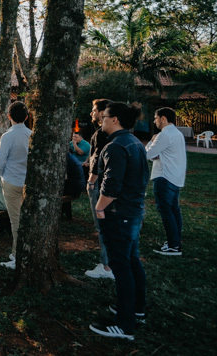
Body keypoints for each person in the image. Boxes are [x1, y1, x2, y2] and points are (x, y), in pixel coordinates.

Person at [89, 102, 149, 341]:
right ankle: (137, 308)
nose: (101, 120)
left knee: (121, 267)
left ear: (115, 120)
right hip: (134, 211)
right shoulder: (135, 143)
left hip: (118, 214)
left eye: (104, 117)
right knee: (132, 261)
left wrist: (100, 208)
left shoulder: (115, 146)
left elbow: (111, 185)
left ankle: (124, 325)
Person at [146, 107, 186, 256]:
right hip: (175, 177)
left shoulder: (164, 135)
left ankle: (173, 246)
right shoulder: (177, 133)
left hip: (164, 177)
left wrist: (150, 143)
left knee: (166, 211)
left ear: (163, 118)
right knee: (174, 210)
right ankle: (175, 241)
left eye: (156, 118)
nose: (154, 121)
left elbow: (148, 154)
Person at [0, 101, 31, 269]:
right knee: (26, 219)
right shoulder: (31, 134)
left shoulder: (8, 136)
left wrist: (0, 175)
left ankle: (18, 257)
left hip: (11, 181)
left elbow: (0, 161)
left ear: (9, 116)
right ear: (26, 117)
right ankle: (23, 252)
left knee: (16, 221)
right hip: (28, 182)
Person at [84, 98, 115, 280]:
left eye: (94, 109)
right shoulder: (110, 134)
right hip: (108, 185)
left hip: (99, 185)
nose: (92, 113)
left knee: (102, 224)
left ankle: (106, 266)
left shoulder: (101, 134)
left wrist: (90, 182)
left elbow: (98, 162)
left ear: (103, 112)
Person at [61, 153, 86, 219]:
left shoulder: (67, 159)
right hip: (79, 185)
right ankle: (68, 215)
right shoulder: (71, 157)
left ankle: (62, 213)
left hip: (75, 187)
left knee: (62, 194)